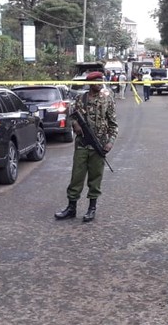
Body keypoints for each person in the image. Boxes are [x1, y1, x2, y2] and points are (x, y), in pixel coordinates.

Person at [54, 71, 118, 222]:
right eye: (96, 81)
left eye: (101, 81)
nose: (99, 83)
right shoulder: (80, 98)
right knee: (77, 177)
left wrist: (110, 142)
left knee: (95, 178)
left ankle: (92, 208)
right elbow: (70, 114)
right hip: (82, 144)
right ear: (90, 83)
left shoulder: (107, 100)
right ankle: (71, 208)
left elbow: (113, 125)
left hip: (99, 145)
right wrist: (75, 124)